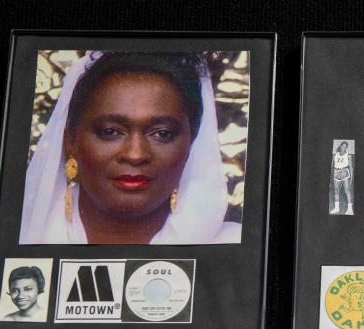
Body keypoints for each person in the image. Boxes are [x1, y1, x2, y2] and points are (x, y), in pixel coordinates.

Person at [20, 51, 239, 245]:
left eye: (162, 134)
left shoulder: (233, 250)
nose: (135, 155)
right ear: (70, 143)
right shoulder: (21, 238)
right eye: (110, 132)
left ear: (190, 147)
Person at [330, 141, 354, 215]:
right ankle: (336, 208)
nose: (343, 148)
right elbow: (332, 166)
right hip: (336, 172)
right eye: (342, 146)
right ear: (340, 146)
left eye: (345, 147)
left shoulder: (348, 156)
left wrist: (351, 179)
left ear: (346, 148)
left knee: (347, 191)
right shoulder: (335, 156)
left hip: (345, 172)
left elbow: (351, 167)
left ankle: (350, 209)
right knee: (336, 191)